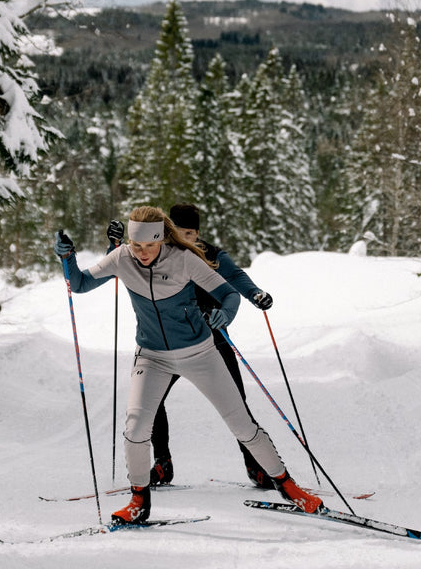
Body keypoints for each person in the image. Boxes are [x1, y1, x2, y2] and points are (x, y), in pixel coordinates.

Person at [55, 206, 322, 525]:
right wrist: (67, 257)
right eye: (137, 246)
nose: (142, 253)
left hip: (200, 352)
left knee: (242, 424)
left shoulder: (184, 259)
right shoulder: (122, 257)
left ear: (161, 239)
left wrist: (228, 312)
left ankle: (289, 487)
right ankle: (139, 500)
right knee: (136, 427)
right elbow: (80, 284)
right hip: (152, 356)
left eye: (150, 246)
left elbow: (228, 292)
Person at [106, 204, 275, 489]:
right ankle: (163, 464)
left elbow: (235, 277)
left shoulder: (208, 254)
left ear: (197, 233)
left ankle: (256, 466)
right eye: (180, 232)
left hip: (211, 339)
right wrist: (114, 245)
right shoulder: (158, 253)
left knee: (237, 403)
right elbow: (122, 264)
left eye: (191, 233)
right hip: (166, 345)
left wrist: (254, 293)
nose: (185, 238)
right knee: (152, 402)